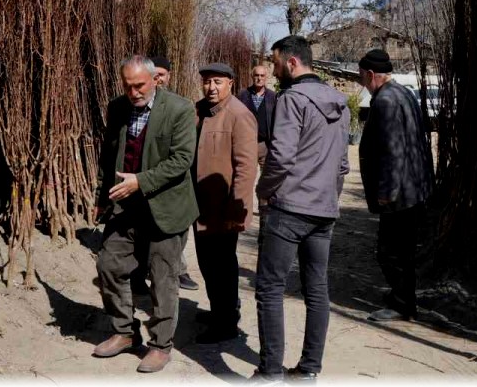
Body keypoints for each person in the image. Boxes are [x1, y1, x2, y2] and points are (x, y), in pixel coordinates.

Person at [252, 35, 350, 381]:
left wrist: (264, 191)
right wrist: (328, 197)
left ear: (292, 63)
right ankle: (309, 371)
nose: (274, 70)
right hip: (324, 211)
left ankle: (270, 372)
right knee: (317, 289)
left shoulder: (292, 100)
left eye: (276, 63)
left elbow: (280, 157)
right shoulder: (340, 102)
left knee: (269, 287)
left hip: (289, 209)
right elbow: (341, 166)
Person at [92, 56, 198, 373]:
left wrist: (141, 181)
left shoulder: (179, 109)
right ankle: (125, 332)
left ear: (155, 80)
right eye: (128, 86)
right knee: (108, 265)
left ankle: (160, 345)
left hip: (165, 207)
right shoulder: (118, 108)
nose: (134, 92)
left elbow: (182, 160)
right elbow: (109, 154)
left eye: (139, 85)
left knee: (163, 280)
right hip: (125, 206)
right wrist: (102, 197)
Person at [357, 49, 435, 322]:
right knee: (402, 250)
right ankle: (402, 298)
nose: (360, 80)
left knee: (391, 252)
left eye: (360, 75)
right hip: (414, 187)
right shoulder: (404, 93)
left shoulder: (386, 101)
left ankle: (403, 305)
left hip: (399, 191)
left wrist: (387, 193)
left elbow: (393, 150)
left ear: (370, 74)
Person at [192, 62, 258, 343]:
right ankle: (219, 310)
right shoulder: (200, 111)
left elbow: (246, 167)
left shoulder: (238, 115)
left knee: (222, 266)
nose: (211, 87)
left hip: (223, 208)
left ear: (231, 82)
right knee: (207, 263)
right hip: (201, 206)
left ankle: (226, 322)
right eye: (207, 81)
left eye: (217, 81)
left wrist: (237, 210)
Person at [135, 56, 199, 293]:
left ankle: (177, 272)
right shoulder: (136, 106)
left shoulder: (180, 107)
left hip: (171, 188)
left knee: (170, 241)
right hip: (143, 187)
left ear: (168, 76)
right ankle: (142, 277)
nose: (158, 78)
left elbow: (183, 157)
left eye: (162, 74)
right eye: (154, 74)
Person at [236, 64, 278, 167]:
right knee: (245, 174)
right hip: (246, 144)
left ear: (266, 77)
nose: (259, 78)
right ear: (252, 76)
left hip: (264, 145)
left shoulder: (273, 97)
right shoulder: (243, 95)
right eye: (256, 75)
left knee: (267, 177)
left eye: (262, 75)